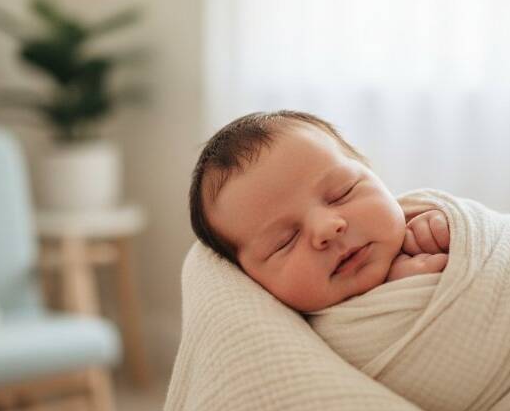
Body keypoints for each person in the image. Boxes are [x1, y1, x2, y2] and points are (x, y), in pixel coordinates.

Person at [188, 109, 450, 312]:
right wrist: (395, 292)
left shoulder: (433, 227)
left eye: (342, 192)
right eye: (285, 242)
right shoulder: (285, 336)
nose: (327, 228)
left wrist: (449, 231)